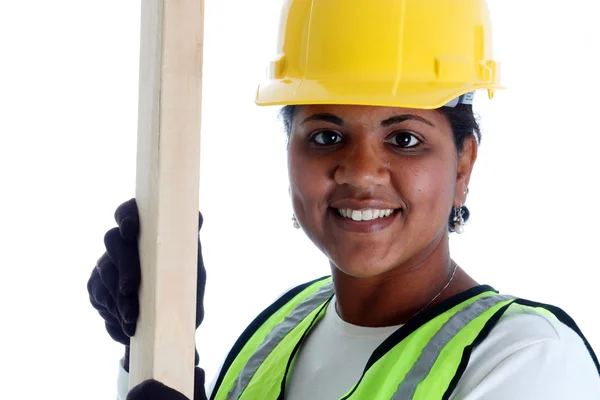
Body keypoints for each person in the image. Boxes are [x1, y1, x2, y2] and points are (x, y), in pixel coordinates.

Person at [87, 0, 600, 399]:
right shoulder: (275, 333)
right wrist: (156, 353)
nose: (359, 172)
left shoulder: (528, 361)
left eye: (404, 139)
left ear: (463, 164)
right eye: (326, 136)